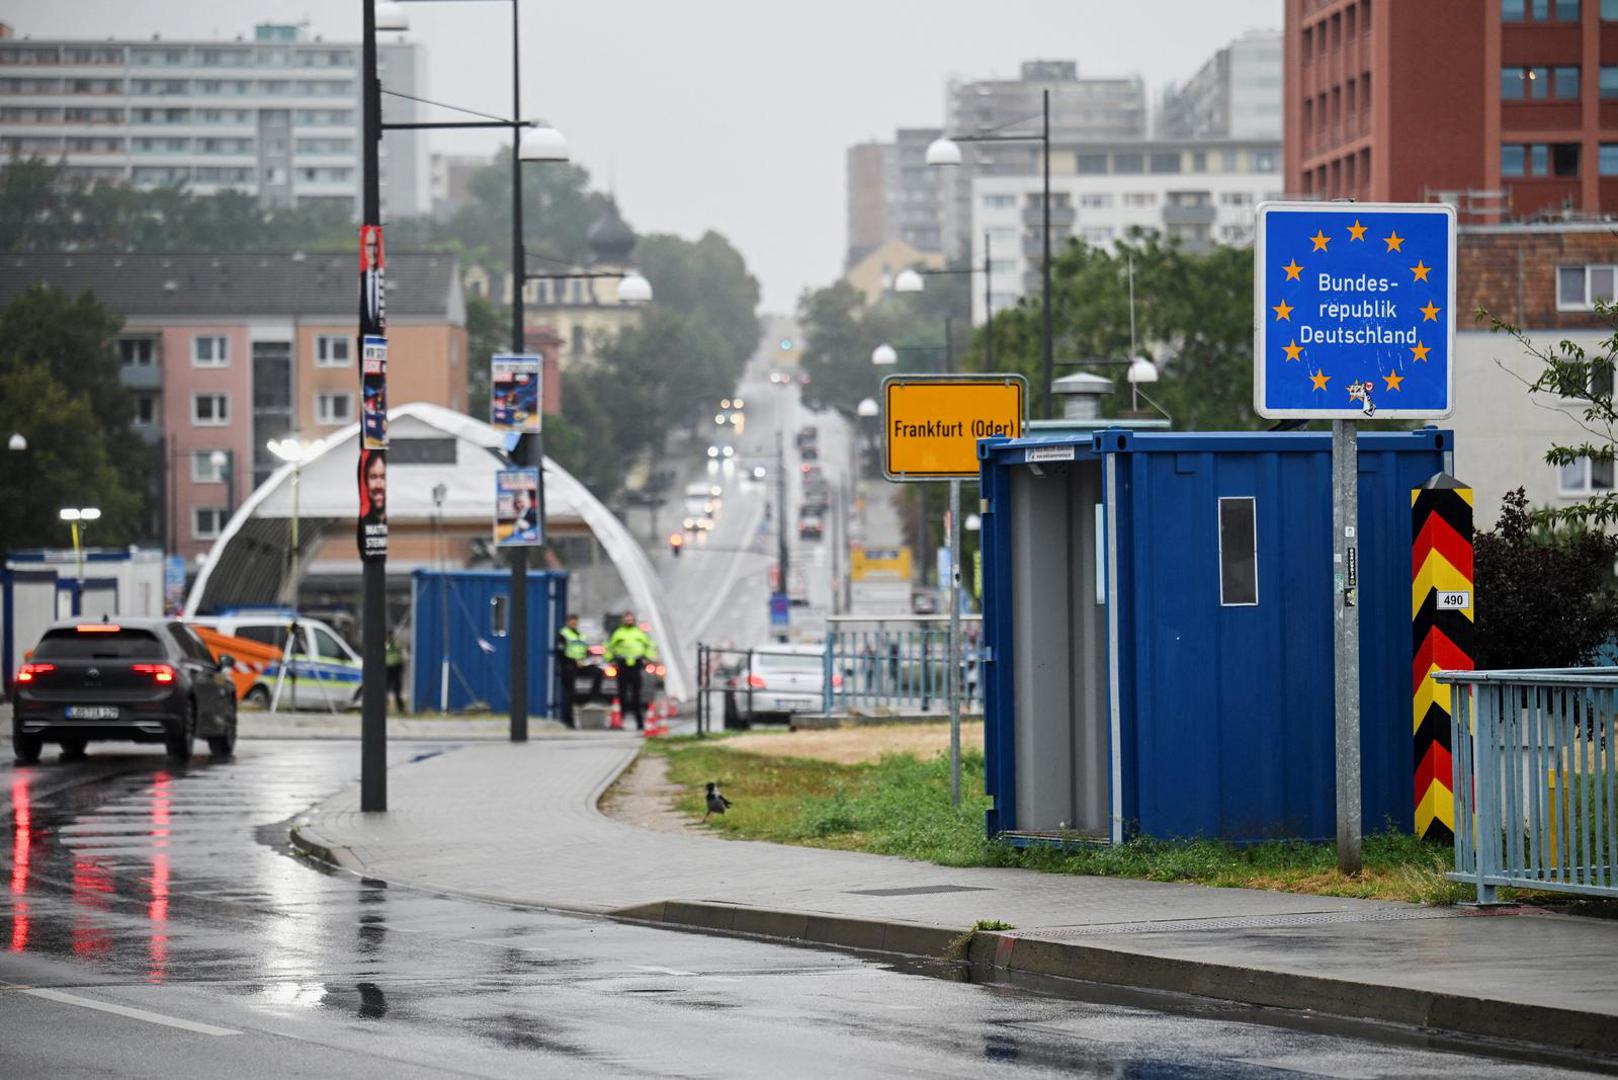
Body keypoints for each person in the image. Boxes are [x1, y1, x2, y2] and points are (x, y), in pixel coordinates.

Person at [604, 611, 657, 731]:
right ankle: (619, 721)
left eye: (630, 619)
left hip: (636, 665)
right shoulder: (618, 633)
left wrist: (648, 657)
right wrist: (609, 658)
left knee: (636, 696)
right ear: (623, 620)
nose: (628, 621)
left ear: (634, 620)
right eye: (626, 619)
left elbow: (649, 646)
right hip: (622, 665)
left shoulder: (639, 633)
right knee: (622, 695)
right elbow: (609, 647)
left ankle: (640, 723)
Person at [553, 613, 594, 728]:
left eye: (575, 621)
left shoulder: (580, 635)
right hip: (569, 665)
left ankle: (588, 700)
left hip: (581, 664)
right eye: (572, 621)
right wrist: (573, 661)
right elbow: (560, 652)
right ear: (567, 622)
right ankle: (568, 720)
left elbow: (586, 650)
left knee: (597, 673)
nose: (574, 623)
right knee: (569, 694)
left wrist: (587, 659)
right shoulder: (563, 634)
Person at [384, 630, 407, 713]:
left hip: (396, 669)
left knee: (397, 690)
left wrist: (403, 667)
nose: (390, 637)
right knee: (385, 690)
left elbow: (403, 655)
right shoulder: (385, 645)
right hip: (388, 669)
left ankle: (401, 709)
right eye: (388, 636)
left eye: (391, 636)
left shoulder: (397, 644)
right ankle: (384, 708)